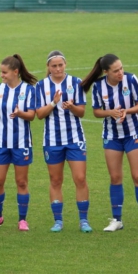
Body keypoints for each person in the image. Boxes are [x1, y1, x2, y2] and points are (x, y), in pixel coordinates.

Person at [81, 54, 138, 233]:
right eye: (115, 71)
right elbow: (97, 112)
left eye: (121, 68)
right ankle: (117, 220)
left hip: (133, 133)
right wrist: (111, 112)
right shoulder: (99, 86)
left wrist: (126, 111)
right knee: (115, 178)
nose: (120, 72)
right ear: (106, 72)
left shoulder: (131, 79)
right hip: (112, 136)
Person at [35, 50, 92, 233]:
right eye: (54, 66)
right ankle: (58, 221)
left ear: (65, 65)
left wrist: (71, 106)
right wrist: (53, 103)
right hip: (52, 140)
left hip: (75, 139)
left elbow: (82, 112)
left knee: (80, 178)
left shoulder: (76, 83)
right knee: (55, 180)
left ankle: (83, 220)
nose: (58, 69)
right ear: (48, 68)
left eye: (60, 65)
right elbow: (39, 115)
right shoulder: (41, 86)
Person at [0, 54, 37, 231]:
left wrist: (20, 113)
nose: (2, 75)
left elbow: (32, 116)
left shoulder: (28, 90)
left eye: (4, 72)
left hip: (22, 143)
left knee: (21, 182)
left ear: (15, 72)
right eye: (1, 72)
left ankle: (23, 220)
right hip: (1, 143)